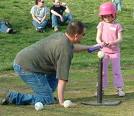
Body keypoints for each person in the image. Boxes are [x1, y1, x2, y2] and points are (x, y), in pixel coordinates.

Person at [0, 21, 99, 107]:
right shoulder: (65, 50)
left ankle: (44, 95)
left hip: (27, 60)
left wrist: (90, 47)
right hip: (26, 66)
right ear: (76, 35)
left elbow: (72, 47)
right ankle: (11, 96)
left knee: (49, 90)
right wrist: (61, 101)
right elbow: (62, 79)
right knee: (47, 99)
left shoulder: (61, 36)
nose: (84, 36)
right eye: (83, 34)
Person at [96, 2, 125, 96]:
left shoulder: (118, 26)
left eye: (109, 16)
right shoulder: (101, 24)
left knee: (117, 71)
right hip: (103, 52)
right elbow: (98, 38)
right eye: (104, 16)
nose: (107, 18)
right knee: (102, 72)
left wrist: (112, 42)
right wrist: (101, 43)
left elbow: (120, 39)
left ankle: (119, 89)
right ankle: (101, 89)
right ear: (102, 16)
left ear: (114, 15)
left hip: (115, 52)